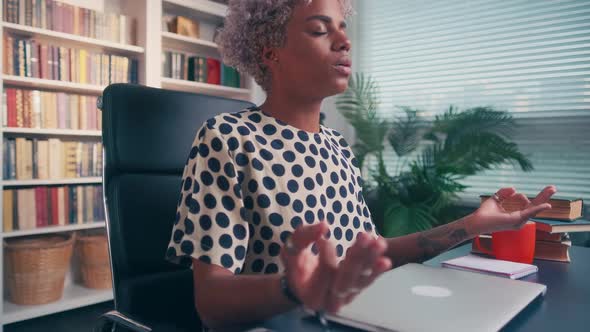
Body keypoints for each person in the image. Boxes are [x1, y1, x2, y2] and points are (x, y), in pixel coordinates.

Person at [165, 0, 557, 329]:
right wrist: (293, 288)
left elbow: (372, 252)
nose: (344, 41)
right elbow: (211, 304)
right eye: (320, 31)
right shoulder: (227, 138)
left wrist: (471, 226)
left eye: (342, 28)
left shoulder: (335, 145)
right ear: (271, 50)